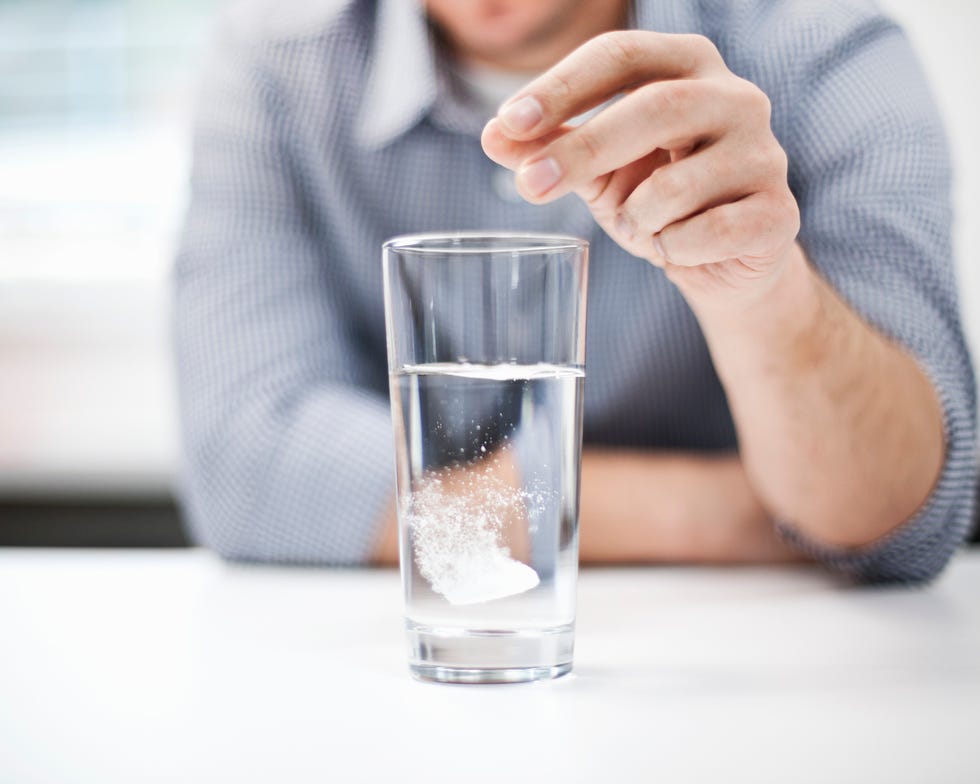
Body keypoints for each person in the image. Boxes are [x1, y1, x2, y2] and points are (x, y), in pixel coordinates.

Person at [174, 0, 977, 583]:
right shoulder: (277, 62)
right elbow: (251, 467)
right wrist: (756, 515)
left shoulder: (827, 51)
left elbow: (910, 509)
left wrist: (759, 289)